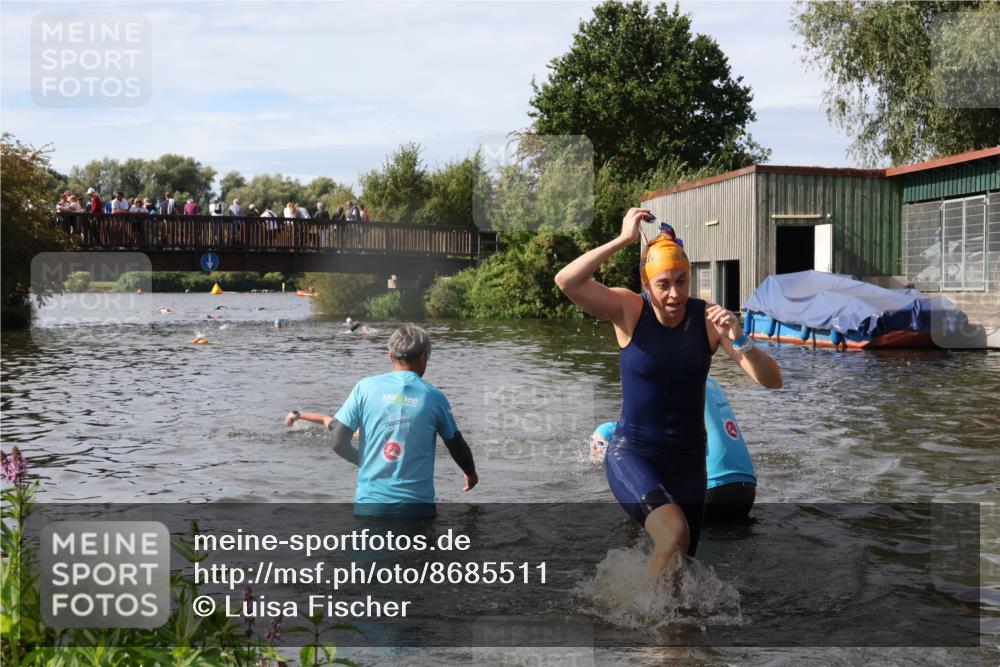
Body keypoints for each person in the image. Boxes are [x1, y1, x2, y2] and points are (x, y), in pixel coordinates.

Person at [554, 207, 782, 579]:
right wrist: (623, 240)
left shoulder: (709, 321)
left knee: (681, 565)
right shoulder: (629, 310)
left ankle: (659, 627)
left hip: (690, 465)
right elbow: (567, 281)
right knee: (673, 533)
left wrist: (740, 338)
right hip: (634, 454)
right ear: (647, 283)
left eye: (682, 281)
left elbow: (773, 381)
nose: (674, 293)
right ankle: (646, 622)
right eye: (663, 284)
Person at [284, 324, 477, 517]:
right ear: (424, 358)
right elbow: (455, 444)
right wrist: (470, 473)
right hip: (416, 509)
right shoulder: (434, 397)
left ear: (390, 356)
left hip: (370, 506)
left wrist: (363, 460)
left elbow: (337, 442)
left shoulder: (364, 388)